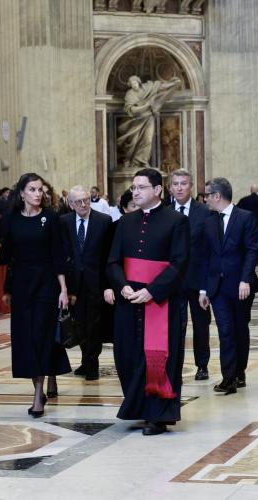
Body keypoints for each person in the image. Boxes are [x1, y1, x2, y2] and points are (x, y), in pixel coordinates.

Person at [107, 168, 189, 436]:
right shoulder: (125, 222)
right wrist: (122, 285)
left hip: (160, 302)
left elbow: (179, 263)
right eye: (133, 187)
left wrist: (153, 291)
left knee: (159, 357)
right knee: (127, 355)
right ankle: (139, 407)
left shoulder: (176, 221)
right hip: (129, 299)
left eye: (141, 187)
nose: (135, 192)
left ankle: (158, 415)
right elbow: (113, 261)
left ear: (157, 190)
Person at [0, 173, 71, 417]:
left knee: (41, 336)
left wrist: (63, 289)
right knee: (26, 339)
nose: (38, 194)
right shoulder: (11, 219)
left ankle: (38, 394)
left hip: (47, 285)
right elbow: (6, 258)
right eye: (32, 189)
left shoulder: (51, 218)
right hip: (21, 287)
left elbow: (58, 255)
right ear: (22, 193)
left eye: (40, 189)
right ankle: (39, 387)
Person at [199, 178, 258, 394]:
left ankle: (239, 371)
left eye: (207, 195)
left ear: (217, 196)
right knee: (225, 330)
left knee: (240, 329)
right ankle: (229, 377)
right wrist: (203, 290)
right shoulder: (209, 222)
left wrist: (245, 279)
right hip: (217, 287)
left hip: (240, 286)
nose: (205, 199)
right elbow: (205, 257)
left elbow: (252, 250)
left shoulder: (245, 217)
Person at [61, 185, 114, 381]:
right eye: (78, 202)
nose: (83, 204)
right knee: (79, 324)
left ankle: (92, 364)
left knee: (94, 324)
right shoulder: (64, 222)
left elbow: (109, 254)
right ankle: (85, 360)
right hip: (73, 284)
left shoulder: (104, 221)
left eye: (86, 200)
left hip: (96, 282)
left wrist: (108, 284)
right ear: (71, 204)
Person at [168, 169, 211, 381]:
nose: (179, 187)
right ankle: (174, 365)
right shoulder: (165, 211)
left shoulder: (204, 212)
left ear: (191, 187)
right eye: (175, 184)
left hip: (198, 278)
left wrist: (206, 286)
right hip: (172, 280)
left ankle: (202, 365)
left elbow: (209, 249)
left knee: (201, 325)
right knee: (176, 325)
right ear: (170, 187)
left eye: (183, 183)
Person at [117, 75, 181, 169]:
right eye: (131, 84)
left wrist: (172, 84)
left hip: (149, 118)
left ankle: (142, 161)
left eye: (135, 82)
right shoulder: (129, 94)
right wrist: (146, 106)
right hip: (136, 121)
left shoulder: (148, 87)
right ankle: (132, 162)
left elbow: (160, 87)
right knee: (133, 142)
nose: (134, 85)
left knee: (148, 140)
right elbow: (132, 110)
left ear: (139, 82)